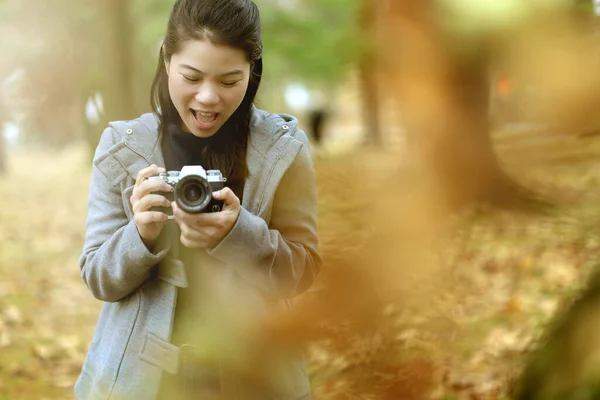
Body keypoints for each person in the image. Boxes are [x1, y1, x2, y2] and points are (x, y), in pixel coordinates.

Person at [75, 0, 321, 399]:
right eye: (192, 76)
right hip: (142, 383)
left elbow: (302, 271)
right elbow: (99, 278)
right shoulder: (122, 147)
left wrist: (240, 234)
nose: (208, 98)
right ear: (167, 61)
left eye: (229, 82)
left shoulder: (284, 149)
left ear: (252, 73)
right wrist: (140, 234)